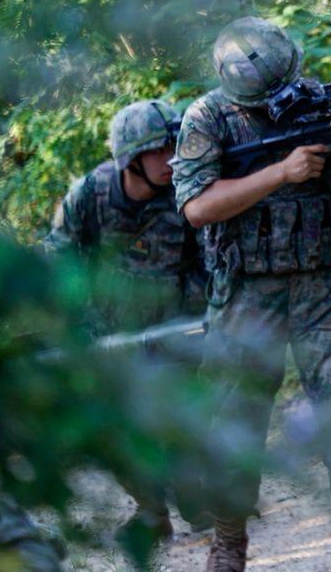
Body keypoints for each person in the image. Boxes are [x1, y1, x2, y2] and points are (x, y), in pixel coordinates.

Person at [170, 17, 331, 572]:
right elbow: (196, 207)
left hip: (325, 286)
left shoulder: (321, 104)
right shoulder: (208, 118)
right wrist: (281, 173)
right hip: (246, 292)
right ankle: (228, 546)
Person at [45, 98, 207, 546]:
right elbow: (57, 263)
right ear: (131, 159)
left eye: (174, 146)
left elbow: (210, 261)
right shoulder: (89, 195)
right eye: (159, 150)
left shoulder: (187, 192)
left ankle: (196, 496)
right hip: (107, 336)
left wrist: (191, 308)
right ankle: (151, 510)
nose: (170, 158)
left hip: (172, 332)